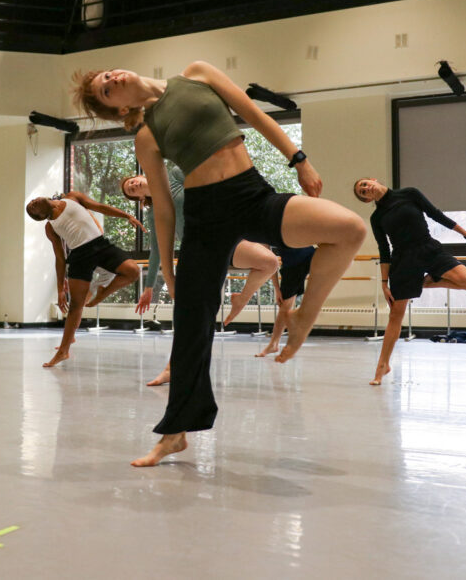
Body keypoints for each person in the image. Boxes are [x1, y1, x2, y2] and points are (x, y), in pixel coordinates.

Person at [74, 62, 366, 467]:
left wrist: (299, 159)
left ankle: (303, 316)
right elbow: (162, 210)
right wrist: (169, 272)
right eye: (105, 91)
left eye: (108, 75)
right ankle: (174, 434)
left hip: (250, 193)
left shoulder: (196, 74)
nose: (111, 80)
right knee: (192, 325)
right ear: (120, 110)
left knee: (350, 228)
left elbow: (254, 114)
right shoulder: (146, 135)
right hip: (204, 218)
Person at [121, 171, 279, 385]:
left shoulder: (174, 175)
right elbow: (157, 249)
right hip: (198, 252)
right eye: (130, 190)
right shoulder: (154, 212)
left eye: (132, 182)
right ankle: (172, 368)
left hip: (223, 235)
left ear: (140, 175)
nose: (133, 186)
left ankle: (240, 299)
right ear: (139, 198)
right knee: (193, 314)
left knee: (269, 262)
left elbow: (208, 182)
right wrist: (149, 288)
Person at [353, 178, 466, 386]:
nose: (366, 189)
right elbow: (384, 250)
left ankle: (422, 284)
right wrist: (384, 284)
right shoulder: (377, 217)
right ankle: (382, 365)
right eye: (362, 192)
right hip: (403, 260)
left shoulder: (409, 193)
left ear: (373, 180)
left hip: (428, 248)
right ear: (366, 200)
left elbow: (436, 214)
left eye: (365, 184)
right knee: (396, 314)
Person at [27, 190, 143, 367]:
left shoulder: (72, 197)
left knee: (133, 271)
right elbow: (60, 258)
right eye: (32, 209)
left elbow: (100, 207)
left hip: (101, 245)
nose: (33, 203)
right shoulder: (50, 228)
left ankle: (102, 293)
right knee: (75, 305)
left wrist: (126, 215)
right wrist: (60, 289)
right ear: (42, 216)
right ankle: (63, 351)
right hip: (80, 256)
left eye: (32, 202)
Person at [256, 245, 317, 358]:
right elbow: (270, 263)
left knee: (285, 307)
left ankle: (274, 344)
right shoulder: (267, 236)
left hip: (304, 258)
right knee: (285, 306)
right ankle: (274, 344)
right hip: (293, 266)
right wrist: (277, 289)